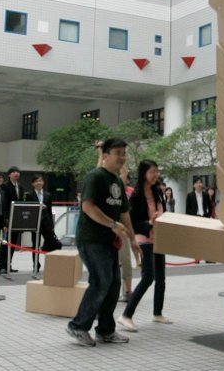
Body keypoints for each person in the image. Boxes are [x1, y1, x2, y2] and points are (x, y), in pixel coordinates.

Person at [66, 138, 140, 347]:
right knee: (101, 282)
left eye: (124, 153)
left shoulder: (117, 181)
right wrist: (112, 224)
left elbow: (124, 212)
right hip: (91, 240)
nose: (122, 157)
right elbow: (88, 207)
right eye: (117, 152)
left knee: (113, 284)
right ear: (105, 155)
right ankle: (78, 326)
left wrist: (133, 239)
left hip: (109, 241)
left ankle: (106, 331)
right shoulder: (95, 177)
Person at [118, 159, 172, 332]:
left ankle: (157, 313)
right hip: (144, 238)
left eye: (157, 171)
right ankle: (126, 315)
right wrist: (150, 222)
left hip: (159, 238)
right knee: (148, 276)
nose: (156, 175)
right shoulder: (137, 195)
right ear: (144, 173)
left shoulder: (157, 191)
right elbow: (133, 222)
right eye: (152, 172)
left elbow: (162, 212)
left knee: (161, 278)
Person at [27, 174, 54, 276]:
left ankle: (51, 264)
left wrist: (51, 224)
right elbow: (28, 209)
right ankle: (36, 265)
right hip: (35, 223)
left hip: (46, 223)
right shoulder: (29, 194)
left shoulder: (48, 195)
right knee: (35, 244)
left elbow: (50, 210)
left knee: (50, 244)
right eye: (37, 181)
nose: (39, 183)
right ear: (33, 183)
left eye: (41, 181)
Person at [118, 163, 135, 298]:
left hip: (122, 230)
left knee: (126, 261)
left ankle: (128, 291)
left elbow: (123, 177)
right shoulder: (104, 186)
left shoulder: (125, 191)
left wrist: (122, 162)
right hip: (108, 229)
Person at [2, 166, 24, 273]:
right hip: (8, 219)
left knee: (13, 243)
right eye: (14, 172)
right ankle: (2, 266)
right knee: (5, 243)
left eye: (18, 172)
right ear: (9, 174)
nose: (16, 174)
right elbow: (4, 205)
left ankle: (8, 265)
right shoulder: (5, 186)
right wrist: (5, 221)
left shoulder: (20, 187)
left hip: (17, 219)